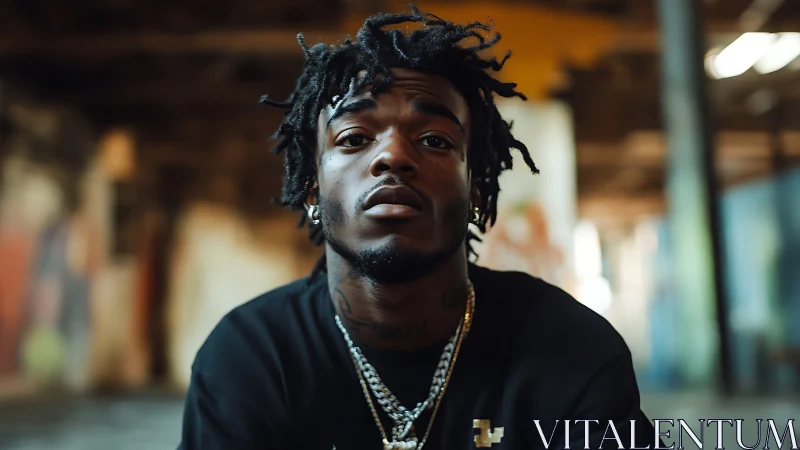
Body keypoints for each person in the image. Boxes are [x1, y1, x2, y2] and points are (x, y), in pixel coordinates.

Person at [179, 6, 657, 450]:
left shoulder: (571, 348)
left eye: (434, 139)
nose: (392, 157)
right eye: (354, 138)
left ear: (474, 193)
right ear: (312, 192)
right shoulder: (251, 358)